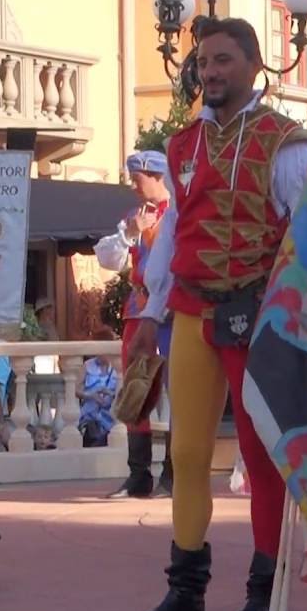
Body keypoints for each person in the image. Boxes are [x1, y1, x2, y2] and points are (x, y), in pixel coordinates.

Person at [124, 17, 307, 611]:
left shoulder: (289, 145)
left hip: (258, 315)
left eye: (223, 60)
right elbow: (174, 232)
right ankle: (186, 590)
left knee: (262, 459)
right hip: (190, 309)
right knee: (184, 452)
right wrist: (152, 311)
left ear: (255, 65)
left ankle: (264, 590)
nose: (209, 71)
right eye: (204, 61)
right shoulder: (181, 146)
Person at [95, 149, 175, 498]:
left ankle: (173, 474)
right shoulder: (134, 216)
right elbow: (109, 260)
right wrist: (129, 232)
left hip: (172, 311)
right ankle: (139, 475)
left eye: (136, 179)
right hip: (137, 308)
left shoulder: (180, 213)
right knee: (135, 388)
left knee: (178, 391)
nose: (133, 186)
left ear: (156, 177)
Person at [78, 333, 120, 448]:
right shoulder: (87, 365)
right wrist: (91, 395)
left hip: (110, 416)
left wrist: (111, 393)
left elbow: (123, 391)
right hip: (90, 415)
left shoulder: (118, 366)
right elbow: (76, 390)